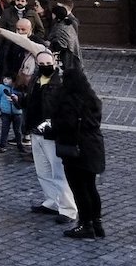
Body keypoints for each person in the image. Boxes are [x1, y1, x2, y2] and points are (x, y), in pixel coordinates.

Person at [45, 65, 106, 240]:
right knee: (91, 187)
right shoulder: (92, 99)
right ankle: (97, 224)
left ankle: (85, 225)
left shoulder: (68, 102)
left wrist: (50, 131)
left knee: (79, 190)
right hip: (94, 147)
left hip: (76, 150)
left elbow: (65, 126)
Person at [20, 50, 78, 225]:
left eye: (48, 63)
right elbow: (31, 101)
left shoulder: (60, 82)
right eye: (42, 64)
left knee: (59, 173)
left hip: (52, 134)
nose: (46, 66)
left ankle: (68, 209)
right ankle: (52, 202)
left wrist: (55, 125)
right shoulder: (35, 80)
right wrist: (19, 101)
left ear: (54, 63)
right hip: (36, 131)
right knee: (43, 171)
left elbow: (68, 109)